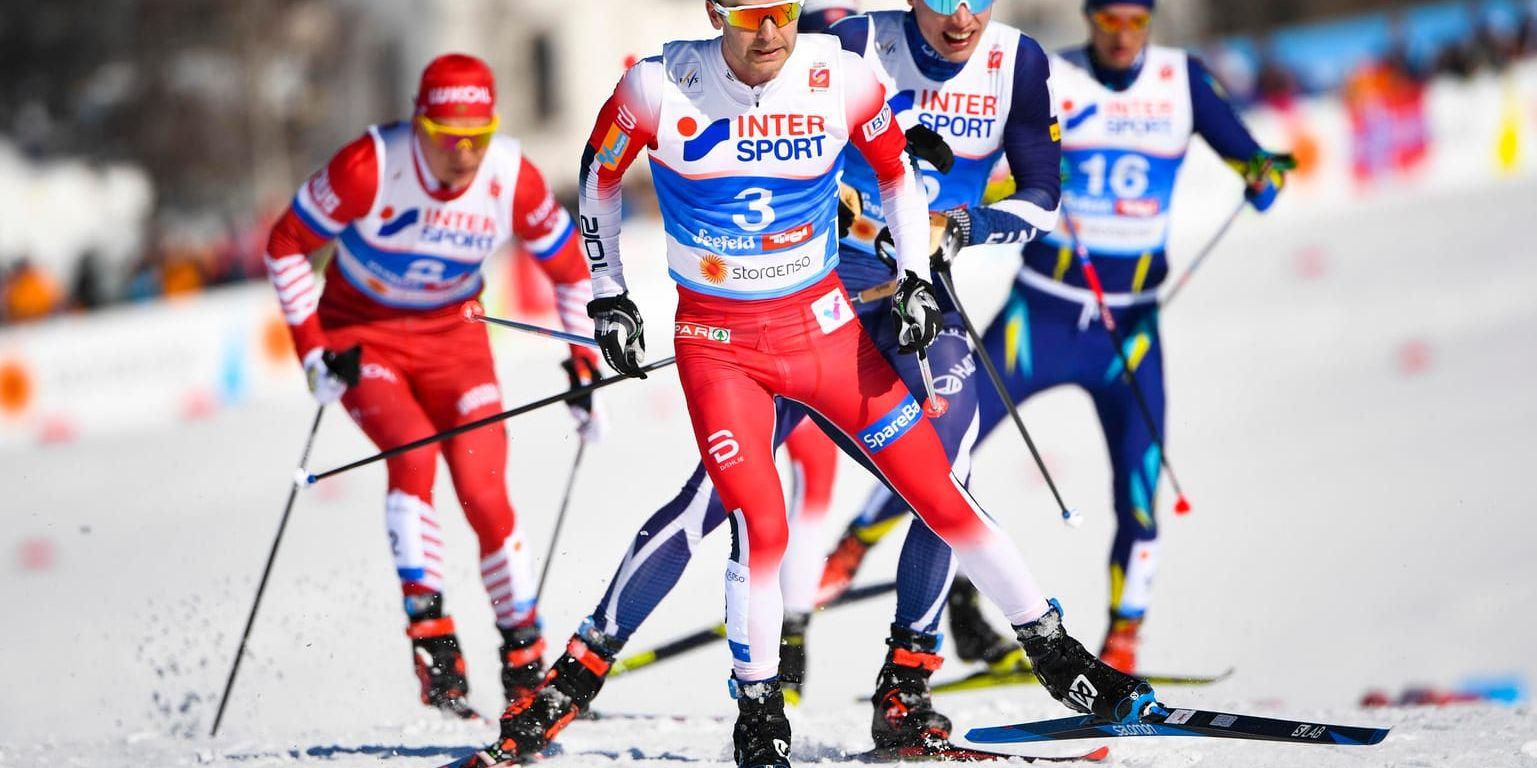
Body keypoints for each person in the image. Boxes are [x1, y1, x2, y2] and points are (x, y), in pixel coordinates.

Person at [461, 3, 1154, 767]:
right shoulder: (657, 87)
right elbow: (596, 181)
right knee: (757, 522)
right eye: (752, 16)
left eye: (783, 13)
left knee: (941, 489)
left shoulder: (841, 76)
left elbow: (898, 177)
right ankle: (757, 715)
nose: (770, 35)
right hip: (720, 349)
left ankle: (1055, 657)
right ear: (717, 13)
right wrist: (608, 295)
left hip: (826, 333)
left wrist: (919, 276)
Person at [816, 0, 1295, 675]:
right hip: (1040, 315)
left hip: (1127, 326)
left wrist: (1261, 170)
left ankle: (1122, 644)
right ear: (1088, 19)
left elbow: (1246, 152)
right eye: (1106, 22)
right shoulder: (1052, 72)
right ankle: (852, 549)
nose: (1121, 37)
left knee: (1140, 486)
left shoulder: (1178, 78)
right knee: (942, 450)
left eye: (1135, 22)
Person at [261, 53, 601, 717]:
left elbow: (570, 269)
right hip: (365, 336)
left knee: (483, 491)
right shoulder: (369, 165)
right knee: (412, 454)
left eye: (478, 134)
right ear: (420, 125)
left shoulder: (509, 174)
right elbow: (284, 244)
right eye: (449, 137)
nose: (466, 153)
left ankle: (523, 654)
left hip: (456, 342)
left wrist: (583, 360)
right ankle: (432, 637)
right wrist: (311, 354)